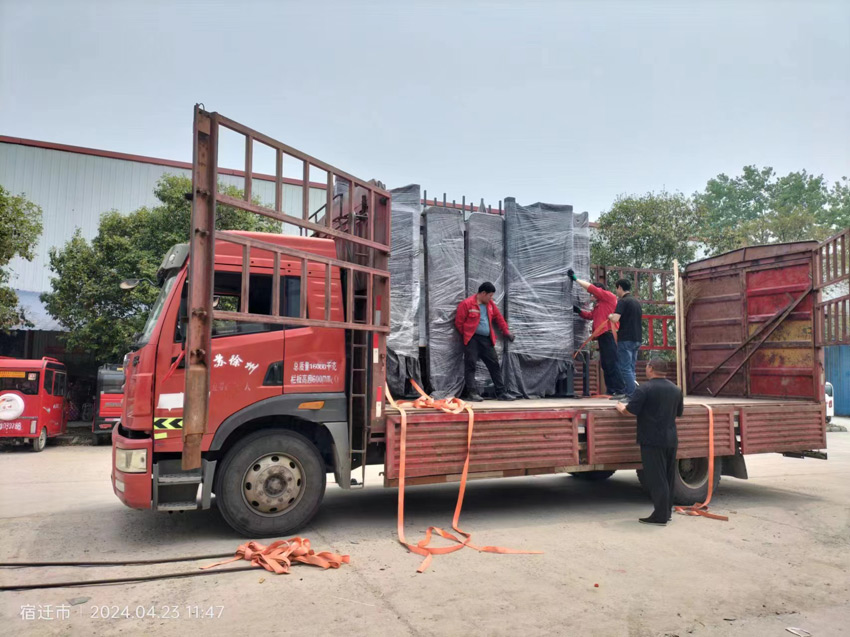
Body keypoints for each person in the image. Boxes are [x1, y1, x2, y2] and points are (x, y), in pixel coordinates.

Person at [616, 358, 682, 525]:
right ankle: (666, 512)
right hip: (671, 438)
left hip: (652, 440)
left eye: (647, 366)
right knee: (667, 477)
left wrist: (621, 408)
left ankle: (660, 516)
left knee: (656, 478)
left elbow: (630, 411)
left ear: (651, 368)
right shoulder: (676, 389)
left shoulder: (645, 389)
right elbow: (679, 412)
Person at [569, 270, 625, 399]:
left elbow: (592, 289)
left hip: (609, 335)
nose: (592, 296)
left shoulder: (609, 297)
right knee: (606, 364)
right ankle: (611, 390)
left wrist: (576, 280)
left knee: (612, 362)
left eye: (594, 294)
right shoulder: (599, 305)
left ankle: (620, 390)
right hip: (603, 337)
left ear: (600, 291)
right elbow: (591, 316)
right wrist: (579, 311)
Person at [455, 282, 515, 402]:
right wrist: (468, 335)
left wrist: (506, 332)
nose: (491, 298)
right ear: (483, 293)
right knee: (470, 365)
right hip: (472, 340)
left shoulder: (490, 305)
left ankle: (501, 393)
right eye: (490, 296)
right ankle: (472, 393)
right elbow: (459, 322)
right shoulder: (467, 304)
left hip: (487, 340)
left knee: (494, 365)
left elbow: (499, 318)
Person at [609, 278, 643, 398]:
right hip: (637, 338)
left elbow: (615, 319)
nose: (616, 291)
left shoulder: (623, 301)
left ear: (620, 287)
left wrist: (610, 316)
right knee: (631, 368)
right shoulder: (636, 302)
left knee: (625, 368)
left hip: (626, 339)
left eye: (616, 288)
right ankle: (630, 392)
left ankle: (632, 395)